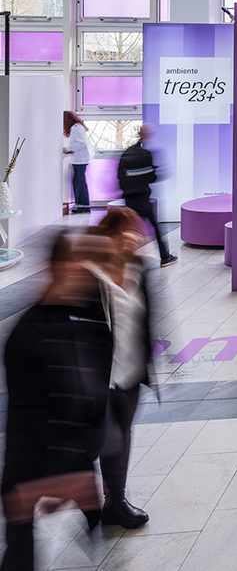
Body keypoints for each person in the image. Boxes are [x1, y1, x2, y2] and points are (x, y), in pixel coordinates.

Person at [2, 234, 112, 571]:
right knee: (20, 540)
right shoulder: (28, 334)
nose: (84, 273)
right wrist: (47, 478)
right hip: (36, 453)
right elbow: (27, 413)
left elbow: (96, 385)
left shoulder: (91, 315)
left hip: (76, 446)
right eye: (75, 265)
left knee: (92, 518)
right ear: (56, 268)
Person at [93, 209, 155, 529]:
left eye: (136, 232)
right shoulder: (91, 276)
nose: (133, 238)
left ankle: (113, 502)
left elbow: (149, 317)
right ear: (109, 237)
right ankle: (111, 501)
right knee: (111, 440)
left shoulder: (139, 269)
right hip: (98, 378)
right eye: (125, 233)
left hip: (130, 373)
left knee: (123, 437)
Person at [117, 124, 176, 267]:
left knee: (128, 230)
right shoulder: (146, 155)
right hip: (142, 198)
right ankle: (164, 257)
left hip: (129, 199)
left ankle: (121, 259)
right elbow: (152, 178)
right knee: (155, 227)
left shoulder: (127, 153)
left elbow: (120, 177)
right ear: (147, 135)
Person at [63, 111, 92, 214]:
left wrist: (68, 148)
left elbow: (82, 143)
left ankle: (83, 206)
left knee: (79, 183)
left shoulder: (75, 128)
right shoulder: (77, 127)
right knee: (78, 182)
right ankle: (81, 204)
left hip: (80, 160)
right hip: (80, 159)